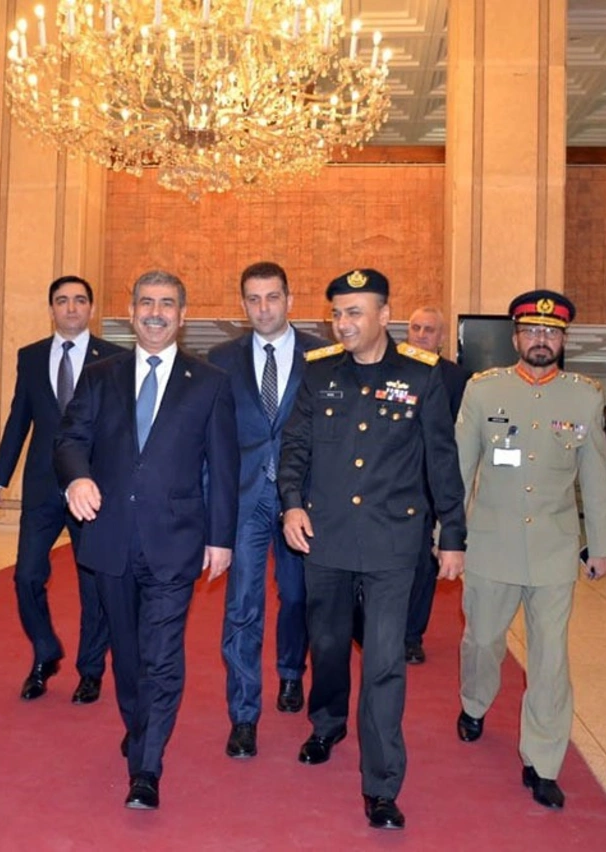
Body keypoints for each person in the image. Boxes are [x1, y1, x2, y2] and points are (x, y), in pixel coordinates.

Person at [279, 269, 467, 831]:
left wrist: (452, 535)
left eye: (355, 312)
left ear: (385, 316)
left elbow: (441, 459)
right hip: (328, 536)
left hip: (393, 542)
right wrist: (291, 504)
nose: (343, 323)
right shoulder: (318, 373)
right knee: (328, 645)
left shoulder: (421, 375)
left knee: (385, 663)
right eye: (337, 313)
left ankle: (382, 785)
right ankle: (328, 722)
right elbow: (296, 446)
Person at [55, 270, 239, 811]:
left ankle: (146, 766)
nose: (155, 312)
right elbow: (69, 439)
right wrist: (77, 477)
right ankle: (140, 725)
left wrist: (221, 538)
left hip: (175, 540)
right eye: (146, 303)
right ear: (131, 312)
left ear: (182, 316)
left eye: (166, 304)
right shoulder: (99, 376)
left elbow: (224, 466)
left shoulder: (209, 382)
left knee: (162, 653)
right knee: (128, 655)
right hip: (110, 538)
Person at [454, 289, 606, 811]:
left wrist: (603, 545)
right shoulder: (484, 391)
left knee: (550, 661)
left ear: (563, 340)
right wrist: (447, 538)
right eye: (532, 331)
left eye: (551, 332)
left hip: (553, 551)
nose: (541, 340)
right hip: (490, 546)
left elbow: (595, 477)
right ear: (516, 337)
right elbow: (459, 468)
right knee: (482, 641)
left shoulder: (584, 397)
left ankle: (543, 762)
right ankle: (474, 702)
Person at [206, 262, 327, 759]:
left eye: (272, 297)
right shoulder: (220, 360)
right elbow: (212, 438)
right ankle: (243, 716)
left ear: (289, 300)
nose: (263, 308)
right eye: (253, 299)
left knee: (297, 597)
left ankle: (291, 670)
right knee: (242, 606)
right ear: (243, 305)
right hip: (246, 499)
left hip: (303, 501)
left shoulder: (322, 355)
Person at [0, 276, 124, 704]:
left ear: (91, 308)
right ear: (51, 309)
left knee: (93, 586)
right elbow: (19, 419)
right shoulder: (30, 357)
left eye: (79, 300)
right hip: (42, 486)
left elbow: (121, 428)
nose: (71, 307)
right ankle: (45, 652)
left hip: (93, 489)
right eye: (62, 301)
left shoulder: (115, 358)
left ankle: (91, 671)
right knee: (26, 575)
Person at [402, 306, 471, 665]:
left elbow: (459, 440)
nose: (421, 334)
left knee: (422, 565)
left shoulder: (457, 379)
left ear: (442, 337)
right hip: (390, 484)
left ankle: (411, 636)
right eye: (416, 327)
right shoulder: (390, 368)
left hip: (432, 487)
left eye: (429, 329)